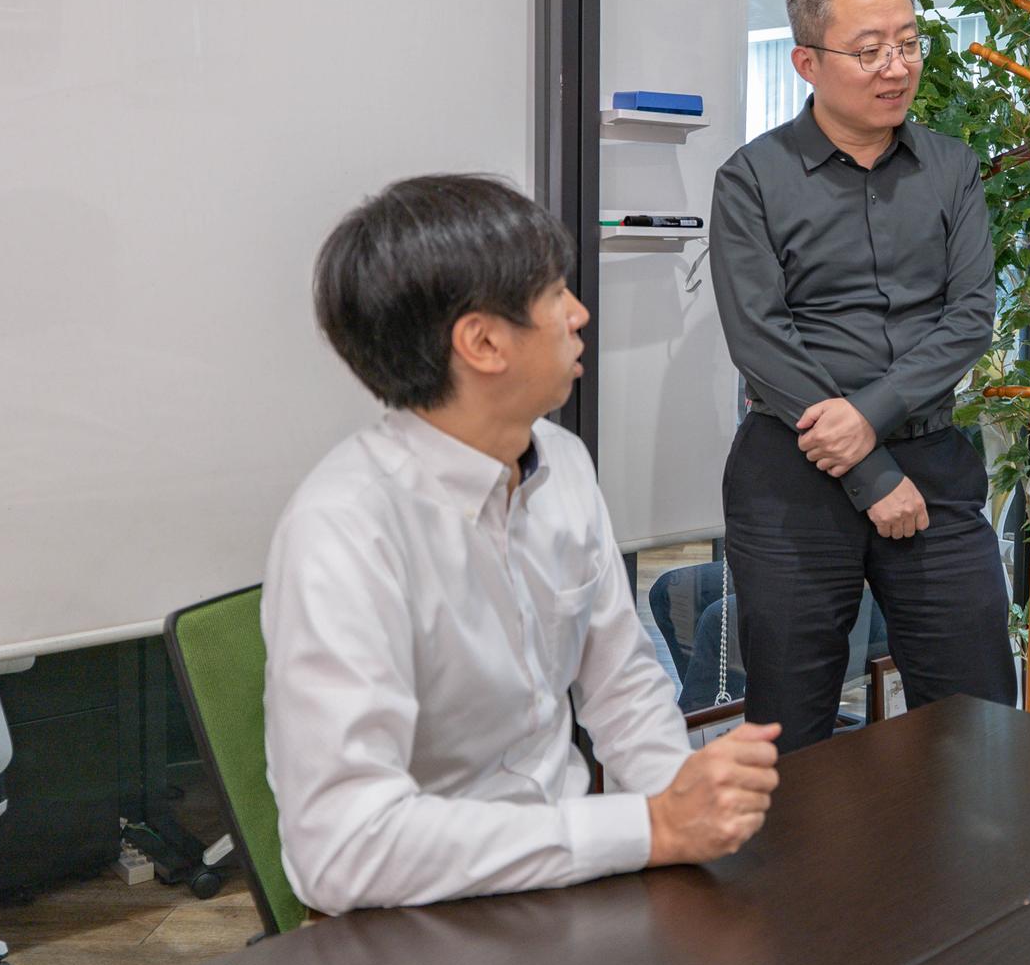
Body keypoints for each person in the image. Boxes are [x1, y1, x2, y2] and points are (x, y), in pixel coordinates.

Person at [262, 174, 780, 915]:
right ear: (481, 342)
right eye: (555, 294)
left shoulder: (560, 461)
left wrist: (683, 804)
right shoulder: (345, 528)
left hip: (572, 877)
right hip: (418, 911)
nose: (580, 314)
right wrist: (646, 829)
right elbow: (343, 849)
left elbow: (621, 683)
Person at [711, 0, 1013, 753]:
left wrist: (870, 420)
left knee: (980, 718)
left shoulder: (951, 167)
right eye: (870, 50)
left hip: (934, 469)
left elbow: (970, 317)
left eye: (909, 43)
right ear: (807, 62)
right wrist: (870, 469)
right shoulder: (752, 178)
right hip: (792, 473)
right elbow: (760, 337)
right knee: (792, 724)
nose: (897, 67)